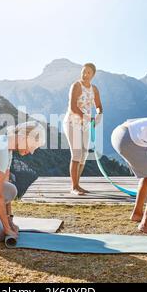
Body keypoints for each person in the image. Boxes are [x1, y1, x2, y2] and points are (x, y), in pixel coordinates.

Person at [63, 63, 103, 196]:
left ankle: (78, 184)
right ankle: (73, 187)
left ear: (93, 75)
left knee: (84, 156)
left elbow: (98, 105)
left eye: (88, 72)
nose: (85, 74)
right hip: (72, 123)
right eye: (83, 71)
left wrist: (99, 114)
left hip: (86, 124)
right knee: (76, 153)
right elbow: (72, 107)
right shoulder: (76, 86)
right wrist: (86, 117)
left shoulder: (94, 89)